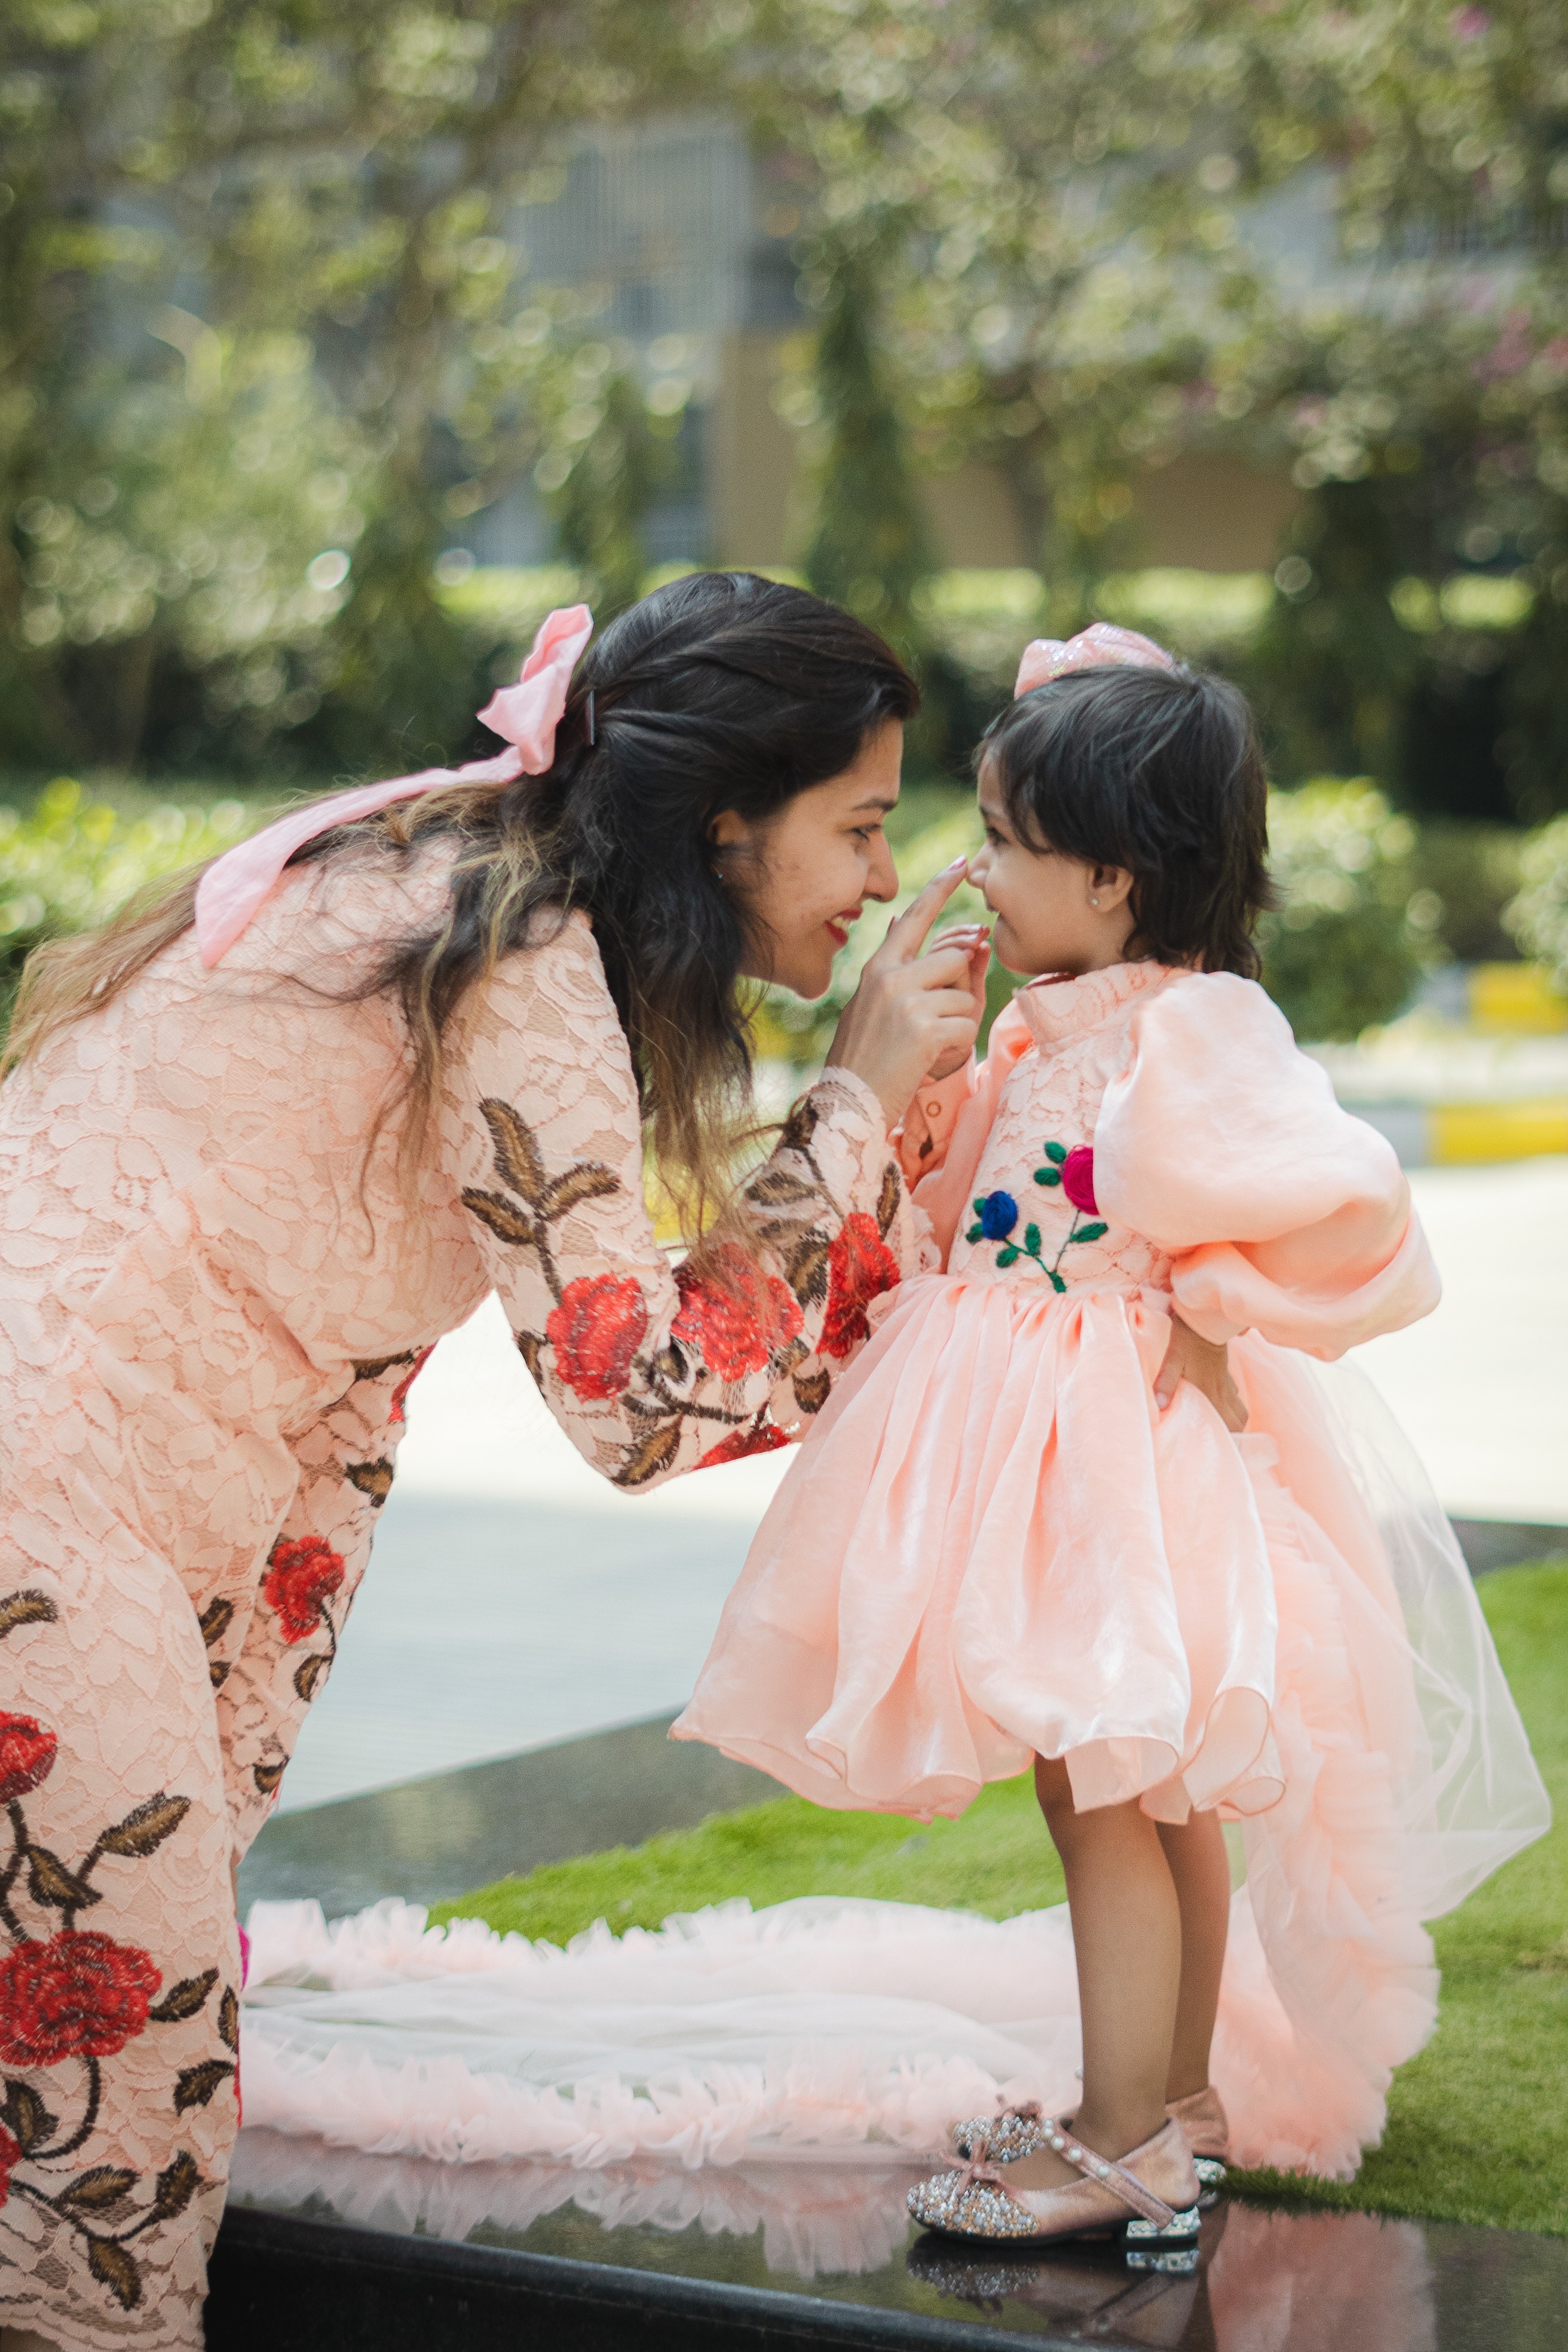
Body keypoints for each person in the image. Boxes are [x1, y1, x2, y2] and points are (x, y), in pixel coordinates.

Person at [0, 571, 1006, 2352]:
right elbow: (645, 1401)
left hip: (94, 1503)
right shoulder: (519, 948)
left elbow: (332, 1395)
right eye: (856, 826)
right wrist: (851, 1103)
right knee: (115, 2156)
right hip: (44, 1495)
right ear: (723, 821)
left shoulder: (445, 873)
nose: (871, 878)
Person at [673, 624, 1549, 2265]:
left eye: (1007, 842)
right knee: (1155, 1794)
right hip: (1058, 1444)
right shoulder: (1073, 1019)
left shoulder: (1186, 1033)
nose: (974, 869)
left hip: (1110, 1460)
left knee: (1106, 1797)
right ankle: (1181, 2105)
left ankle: (1123, 2136)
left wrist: (1211, 1290)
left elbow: (1327, 1198)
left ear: (1122, 882)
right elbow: (972, 1205)